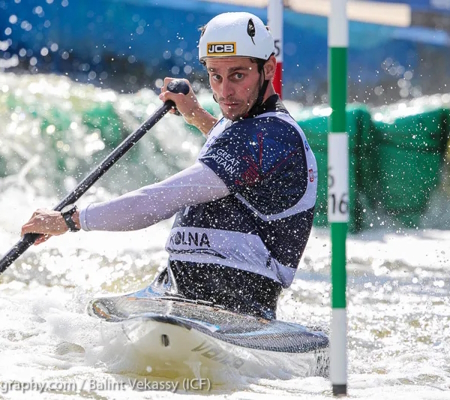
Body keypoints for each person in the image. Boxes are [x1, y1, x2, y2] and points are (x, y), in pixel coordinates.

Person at [21, 12, 317, 320]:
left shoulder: (273, 135)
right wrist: (195, 113)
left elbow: (161, 200)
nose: (225, 91)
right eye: (215, 76)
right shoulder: (249, 127)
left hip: (240, 301)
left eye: (238, 76)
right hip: (179, 286)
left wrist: (69, 221)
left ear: (268, 68)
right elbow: (236, 149)